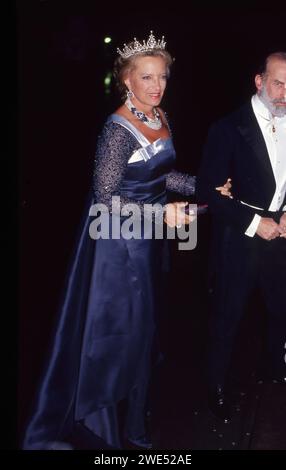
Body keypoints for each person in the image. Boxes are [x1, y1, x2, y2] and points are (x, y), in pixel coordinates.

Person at [22, 31, 231, 450]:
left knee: (144, 332)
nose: (157, 85)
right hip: (114, 246)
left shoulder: (160, 116)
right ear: (127, 81)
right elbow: (104, 199)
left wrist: (206, 189)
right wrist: (161, 213)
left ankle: (136, 425)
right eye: (147, 77)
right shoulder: (117, 129)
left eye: (163, 77)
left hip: (147, 241)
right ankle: (103, 432)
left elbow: (162, 176)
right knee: (115, 336)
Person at [197, 52, 286, 423]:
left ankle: (271, 368)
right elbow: (207, 190)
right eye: (279, 82)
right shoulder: (228, 128)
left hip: (280, 233)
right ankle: (215, 389)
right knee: (228, 318)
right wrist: (255, 222)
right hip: (241, 234)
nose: (285, 92)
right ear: (259, 81)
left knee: (280, 309)